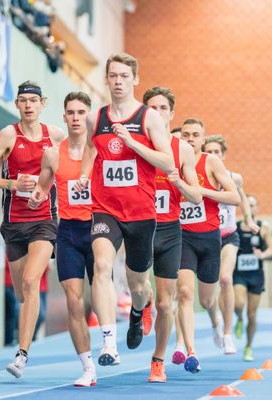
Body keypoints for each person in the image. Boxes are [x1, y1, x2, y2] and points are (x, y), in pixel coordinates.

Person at [75, 53, 174, 367]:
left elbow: (168, 163)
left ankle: (137, 310)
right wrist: (82, 175)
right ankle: (108, 343)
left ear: (135, 80)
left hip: (141, 213)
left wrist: (133, 143)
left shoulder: (149, 118)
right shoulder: (96, 118)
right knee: (102, 266)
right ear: (106, 79)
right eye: (113, 76)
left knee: (138, 284)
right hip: (105, 208)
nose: (118, 82)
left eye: (124, 76)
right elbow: (90, 149)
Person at [0, 80, 64, 378]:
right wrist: (12, 184)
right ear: (16, 104)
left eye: (33, 100)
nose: (28, 105)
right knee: (21, 292)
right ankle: (26, 332)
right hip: (14, 224)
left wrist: (48, 187)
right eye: (23, 100)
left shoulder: (54, 136)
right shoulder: (7, 135)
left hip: (44, 221)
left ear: (42, 104)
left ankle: (22, 354)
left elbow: (69, 167)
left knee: (31, 282)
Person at [30, 91, 97, 386]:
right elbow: (43, 188)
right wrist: (36, 196)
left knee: (99, 298)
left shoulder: (101, 152)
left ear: (89, 116)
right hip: (68, 231)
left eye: (81, 112)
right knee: (74, 302)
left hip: (99, 230)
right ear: (64, 117)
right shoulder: (53, 154)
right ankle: (88, 367)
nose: (75, 118)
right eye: (71, 112)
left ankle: (136, 310)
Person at [143, 86, 201, 382]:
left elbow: (196, 197)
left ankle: (158, 361)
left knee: (167, 304)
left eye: (163, 108)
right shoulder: (135, 143)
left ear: (171, 113)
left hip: (168, 229)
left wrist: (179, 183)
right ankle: (142, 301)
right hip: (138, 226)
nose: (158, 113)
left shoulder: (184, 150)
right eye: (152, 108)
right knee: (140, 289)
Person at [176, 119, 240, 373]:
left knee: (206, 299)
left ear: (203, 139)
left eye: (195, 135)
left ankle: (216, 322)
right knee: (184, 293)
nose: (190, 139)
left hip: (210, 238)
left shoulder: (211, 162)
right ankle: (189, 350)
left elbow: (234, 197)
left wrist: (203, 191)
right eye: (186, 135)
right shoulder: (173, 162)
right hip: (182, 238)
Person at [202, 135, 260, 355]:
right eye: (210, 151)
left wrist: (248, 219)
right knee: (207, 298)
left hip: (228, 236)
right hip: (206, 236)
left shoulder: (234, 178)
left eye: (217, 152)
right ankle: (215, 322)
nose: (214, 155)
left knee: (225, 278)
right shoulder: (199, 177)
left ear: (223, 155)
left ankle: (227, 334)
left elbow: (242, 198)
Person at [233, 194, 272, 361]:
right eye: (247, 205)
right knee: (238, 303)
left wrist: (262, 254)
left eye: (252, 205)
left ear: (256, 208)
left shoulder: (263, 227)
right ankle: (239, 318)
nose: (249, 208)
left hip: (256, 275)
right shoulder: (235, 227)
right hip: (240, 274)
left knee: (252, 313)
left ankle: (248, 346)